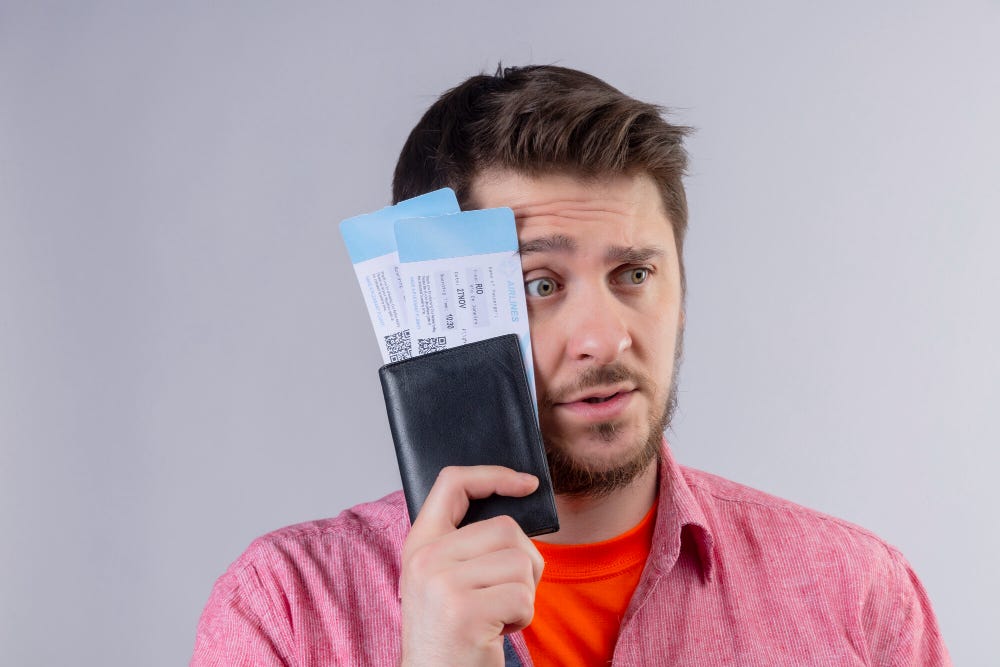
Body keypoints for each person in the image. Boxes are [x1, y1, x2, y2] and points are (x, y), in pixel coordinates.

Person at [191, 65, 950, 666]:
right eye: (540, 285)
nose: (604, 337)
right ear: (430, 316)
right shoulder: (285, 610)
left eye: (634, 274)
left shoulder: (859, 597)